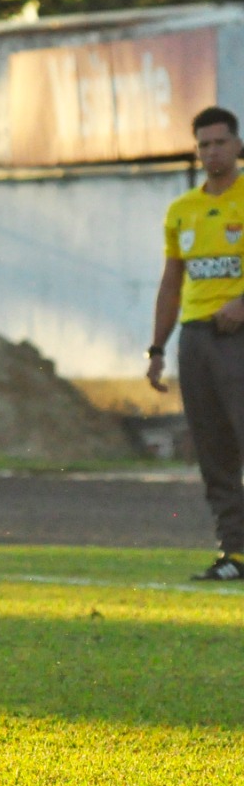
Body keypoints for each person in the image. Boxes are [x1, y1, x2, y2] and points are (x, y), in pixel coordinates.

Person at [147, 105, 244, 582]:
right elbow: (171, 283)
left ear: (238, 145)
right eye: (203, 144)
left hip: (240, 336)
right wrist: (157, 348)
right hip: (197, 338)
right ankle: (236, 553)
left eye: (220, 142)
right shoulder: (182, 210)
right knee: (214, 449)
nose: (211, 152)